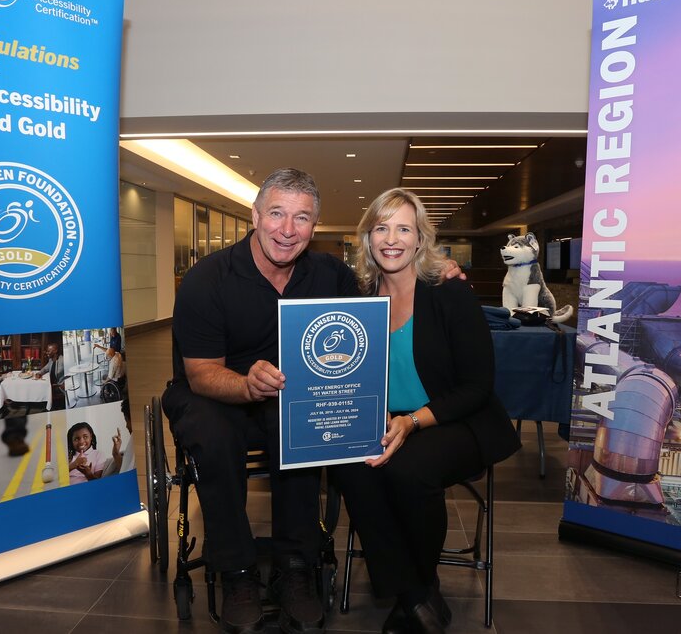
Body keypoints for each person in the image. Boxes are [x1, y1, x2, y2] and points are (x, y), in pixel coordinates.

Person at [165, 169, 463, 634]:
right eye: (277, 214)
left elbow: (381, 294)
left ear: (314, 225)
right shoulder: (209, 279)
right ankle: (238, 572)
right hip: (215, 393)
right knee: (213, 434)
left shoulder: (328, 273)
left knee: (306, 421)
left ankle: (295, 564)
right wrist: (245, 384)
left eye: (301, 218)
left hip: (287, 394)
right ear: (255, 216)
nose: (287, 229)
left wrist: (434, 272)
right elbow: (200, 373)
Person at [331, 188, 521, 634]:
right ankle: (416, 593)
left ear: (420, 239)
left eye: (403, 228)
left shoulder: (448, 292)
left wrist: (413, 421)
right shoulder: (359, 296)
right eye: (381, 228)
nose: (391, 239)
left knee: (407, 469)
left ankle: (415, 591)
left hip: (455, 418)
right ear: (367, 238)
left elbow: (477, 386)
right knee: (350, 465)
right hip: (386, 416)